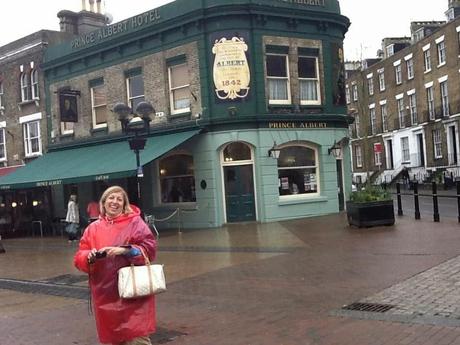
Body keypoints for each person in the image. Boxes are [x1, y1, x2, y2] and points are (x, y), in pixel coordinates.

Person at [74, 186, 157, 345]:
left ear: (124, 204)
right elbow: (80, 255)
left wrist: (125, 251)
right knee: (112, 338)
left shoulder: (135, 223)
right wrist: (89, 257)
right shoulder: (93, 229)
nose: (115, 202)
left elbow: (150, 249)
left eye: (119, 199)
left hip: (133, 294)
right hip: (105, 295)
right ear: (103, 202)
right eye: (111, 198)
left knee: (137, 338)